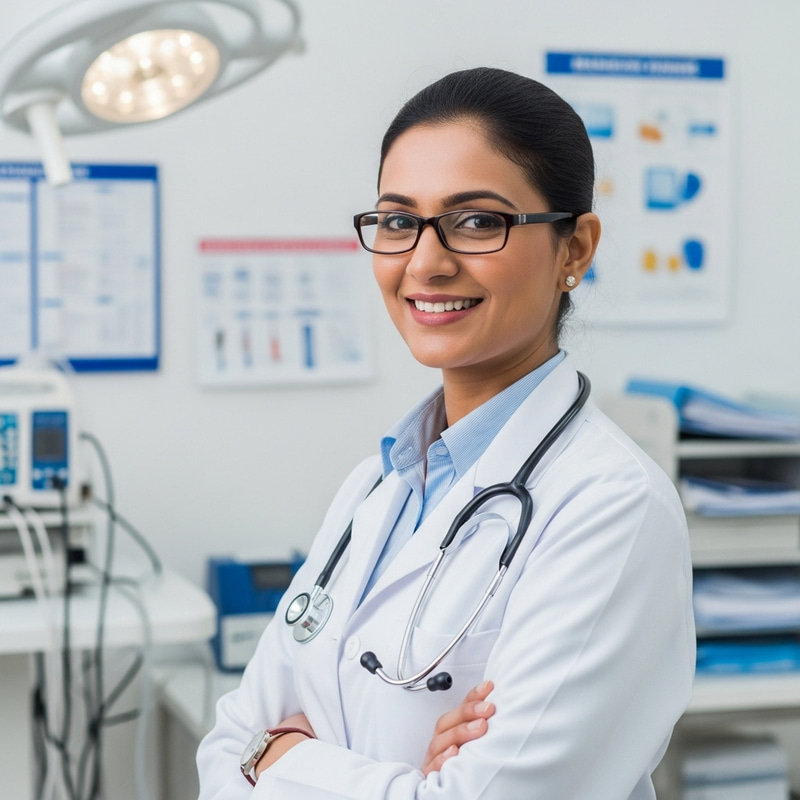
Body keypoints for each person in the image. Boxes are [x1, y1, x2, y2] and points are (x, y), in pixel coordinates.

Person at [196, 66, 695, 800]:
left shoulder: (612, 508)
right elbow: (222, 752)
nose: (426, 263)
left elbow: (254, 759)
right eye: (399, 222)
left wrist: (279, 759)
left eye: (477, 222)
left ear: (575, 249)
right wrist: (399, 779)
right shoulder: (380, 484)